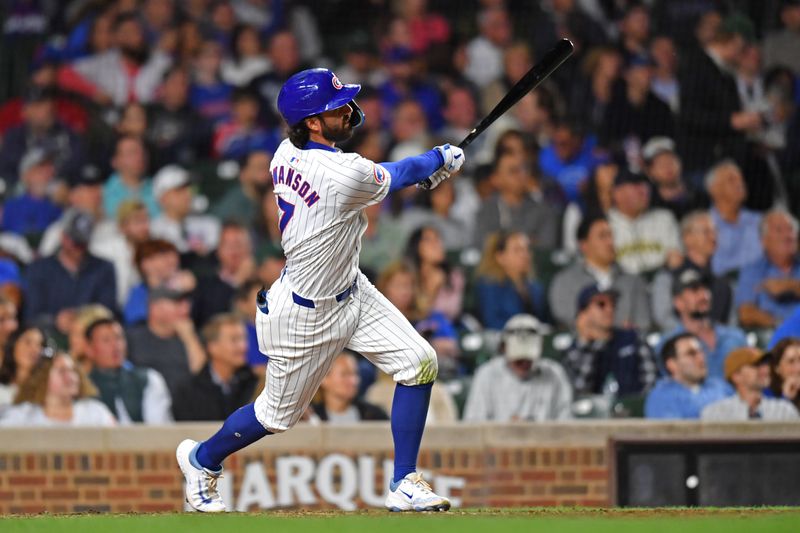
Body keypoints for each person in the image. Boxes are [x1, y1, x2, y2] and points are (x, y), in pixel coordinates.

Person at [176, 68, 465, 513]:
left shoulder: (284, 152)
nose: (349, 110)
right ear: (312, 121)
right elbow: (401, 170)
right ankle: (201, 459)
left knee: (419, 361)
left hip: (351, 287)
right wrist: (439, 158)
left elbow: (385, 179)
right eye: (336, 107)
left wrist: (419, 175)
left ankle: (404, 481)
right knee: (275, 416)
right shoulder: (341, 172)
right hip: (306, 313)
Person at [463, 314, 572, 422]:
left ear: (540, 349)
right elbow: (473, 425)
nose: (524, 364)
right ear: (504, 348)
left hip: (545, 439)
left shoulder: (554, 374)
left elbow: (566, 424)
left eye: (528, 359)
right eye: (519, 360)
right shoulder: (487, 374)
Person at [23, 210, 118, 334]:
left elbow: (108, 310)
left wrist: (80, 318)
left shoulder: (103, 268)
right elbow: (31, 315)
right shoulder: (39, 269)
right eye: (75, 242)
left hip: (91, 337)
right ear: (63, 237)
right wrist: (55, 321)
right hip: (49, 336)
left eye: (83, 243)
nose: (78, 249)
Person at [549, 216, 651, 330]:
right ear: (584, 245)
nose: (610, 242)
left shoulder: (633, 281)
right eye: (602, 236)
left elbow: (643, 323)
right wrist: (615, 330)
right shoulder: (565, 281)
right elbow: (567, 319)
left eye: (611, 235)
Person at [563, 284, 657, 398]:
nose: (610, 309)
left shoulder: (632, 338)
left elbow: (652, 382)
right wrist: (589, 344)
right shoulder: (576, 348)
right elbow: (579, 392)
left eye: (613, 304)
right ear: (583, 313)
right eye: (601, 304)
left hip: (635, 411)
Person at [651, 211, 733, 332]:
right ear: (687, 238)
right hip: (682, 342)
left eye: (715, 231)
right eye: (706, 232)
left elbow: (730, 320)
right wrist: (690, 333)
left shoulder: (721, 280)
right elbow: (663, 317)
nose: (713, 237)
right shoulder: (670, 275)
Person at [659, 268, 747, 380]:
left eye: (705, 288)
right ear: (678, 302)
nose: (703, 295)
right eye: (694, 290)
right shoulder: (669, 344)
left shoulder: (735, 336)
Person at [85, 318, 172, 425]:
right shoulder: (83, 387)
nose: (115, 346)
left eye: (119, 338)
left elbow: (159, 427)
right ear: (89, 349)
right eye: (106, 340)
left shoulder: (149, 379)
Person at [126, 283, 206, 399]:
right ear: (155, 308)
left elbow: (202, 376)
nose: (186, 308)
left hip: (185, 407)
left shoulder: (192, 338)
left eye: (187, 303)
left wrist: (189, 338)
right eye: (177, 303)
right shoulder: (131, 338)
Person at [172, 314, 257, 421]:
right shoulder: (187, 391)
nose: (243, 346)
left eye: (244, 339)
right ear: (212, 347)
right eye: (234, 340)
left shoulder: (254, 383)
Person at [0, 352, 116, 427]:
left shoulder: (95, 412)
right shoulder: (22, 417)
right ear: (43, 379)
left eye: (73, 371)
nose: (70, 377)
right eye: (62, 371)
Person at [474, 151, 559, 250]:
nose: (522, 175)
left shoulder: (543, 211)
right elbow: (481, 246)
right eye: (514, 171)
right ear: (496, 178)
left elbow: (545, 248)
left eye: (524, 170)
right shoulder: (486, 210)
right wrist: (527, 240)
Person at [608, 167, 681, 275]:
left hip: (661, 281)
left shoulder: (664, 218)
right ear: (617, 193)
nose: (643, 190)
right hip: (621, 283)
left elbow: (676, 260)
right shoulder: (604, 223)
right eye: (635, 185)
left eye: (645, 184)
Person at [736, 209, 800, 329]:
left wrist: (790, 286)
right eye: (779, 230)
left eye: (791, 229)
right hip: (774, 335)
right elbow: (746, 313)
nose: (788, 235)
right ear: (764, 241)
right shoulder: (752, 271)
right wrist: (780, 324)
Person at [645, 333, 731, 419]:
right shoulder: (661, 396)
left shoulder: (720, 386)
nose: (701, 358)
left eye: (701, 351)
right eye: (691, 353)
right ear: (672, 364)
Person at [474, 231, 548, 329]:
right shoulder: (489, 286)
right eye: (517, 250)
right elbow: (492, 322)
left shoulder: (536, 288)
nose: (525, 255)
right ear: (500, 257)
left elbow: (544, 321)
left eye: (527, 249)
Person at [701, 347, 799, 421]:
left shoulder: (784, 410)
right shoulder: (715, 414)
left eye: (765, 364)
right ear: (736, 376)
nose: (765, 370)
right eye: (756, 365)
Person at [149, 164, 221, 256]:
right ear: (163, 198)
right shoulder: (153, 232)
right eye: (179, 190)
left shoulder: (210, 224)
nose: (188, 194)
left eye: (188, 188)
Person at [706, 160, 763, 276]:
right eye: (731, 180)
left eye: (741, 179)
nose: (740, 184)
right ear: (714, 189)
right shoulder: (703, 226)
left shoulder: (761, 221)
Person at [312, 351, 388, 423]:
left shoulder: (376, 416)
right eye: (344, 374)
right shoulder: (308, 417)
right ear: (323, 379)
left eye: (355, 374)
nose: (354, 381)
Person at [0, 327, 49, 410]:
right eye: (28, 342)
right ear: (13, 345)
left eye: (39, 345)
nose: (34, 349)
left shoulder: (47, 388)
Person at [766, 338, 800, 412]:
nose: (798, 368)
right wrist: (786, 398)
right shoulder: (767, 395)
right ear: (777, 368)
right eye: (791, 362)